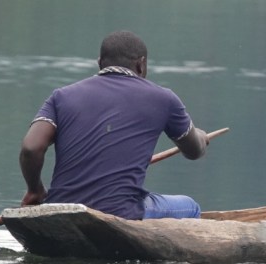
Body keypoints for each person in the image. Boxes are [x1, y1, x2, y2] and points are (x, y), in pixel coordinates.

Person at [19, 30, 210, 220]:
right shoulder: (164, 99)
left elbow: (31, 148)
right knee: (190, 207)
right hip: (122, 211)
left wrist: (35, 190)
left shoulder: (61, 97)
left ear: (100, 63)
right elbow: (194, 151)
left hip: (59, 208)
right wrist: (200, 136)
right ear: (141, 64)